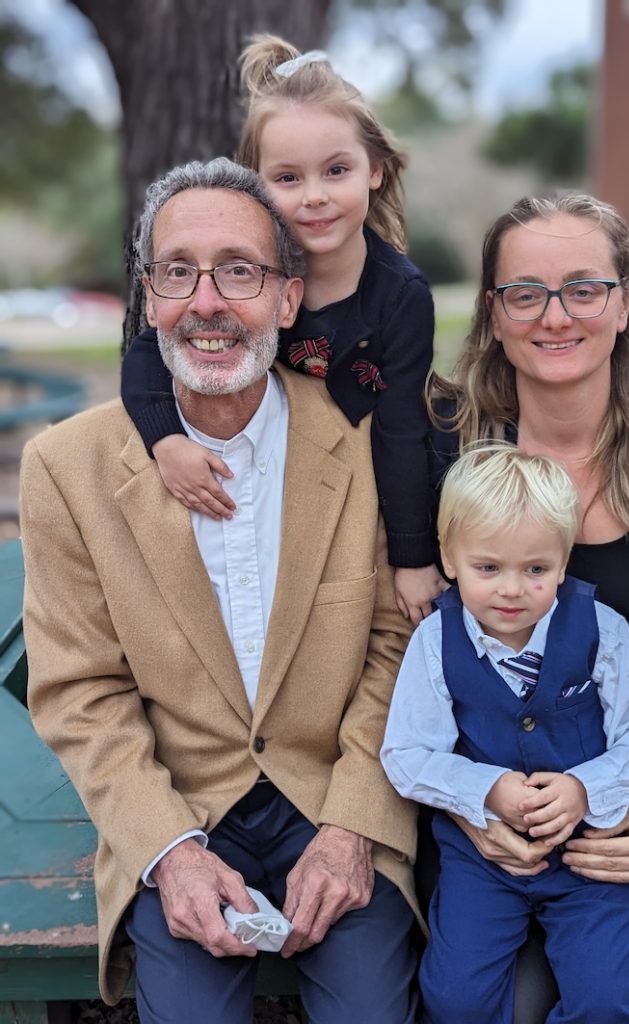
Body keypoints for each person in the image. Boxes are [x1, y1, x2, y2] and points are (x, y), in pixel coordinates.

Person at [20, 157, 420, 1024]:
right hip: (180, 804)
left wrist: (351, 828)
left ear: (286, 298)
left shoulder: (367, 446)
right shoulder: (67, 467)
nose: (206, 302)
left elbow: (401, 643)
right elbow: (81, 689)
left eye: (239, 269)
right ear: (148, 296)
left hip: (335, 794)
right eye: (177, 271)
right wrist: (170, 851)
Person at [426, 193, 629, 1022]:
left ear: (624, 302)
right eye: (524, 292)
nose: (554, 315)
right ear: (493, 315)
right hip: (476, 812)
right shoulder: (445, 442)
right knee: (476, 1002)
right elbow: (412, 641)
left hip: (616, 804)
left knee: (600, 1002)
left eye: (582, 288)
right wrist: (463, 803)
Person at [121, 36, 445, 626]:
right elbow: (150, 352)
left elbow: (401, 430)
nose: (315, 196)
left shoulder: (400, 296)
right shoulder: (248, 278)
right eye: (289, 177)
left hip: (361, 480)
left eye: (337, 170)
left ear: (376, 169)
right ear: (257, 184)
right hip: (263, 469)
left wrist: (413, 557)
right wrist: (165, 440)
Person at [382, 443, 629, 1023]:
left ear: (563, 562)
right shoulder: (435, 644)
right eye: (488, 568)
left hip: (589, 857)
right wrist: (486, 789)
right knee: (454, 996)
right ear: (449, 556)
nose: (512, 590)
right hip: (482, 857)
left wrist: (585, 789)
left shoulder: (600, 631)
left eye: (536, 570)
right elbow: (407, 753)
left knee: (607, 998)